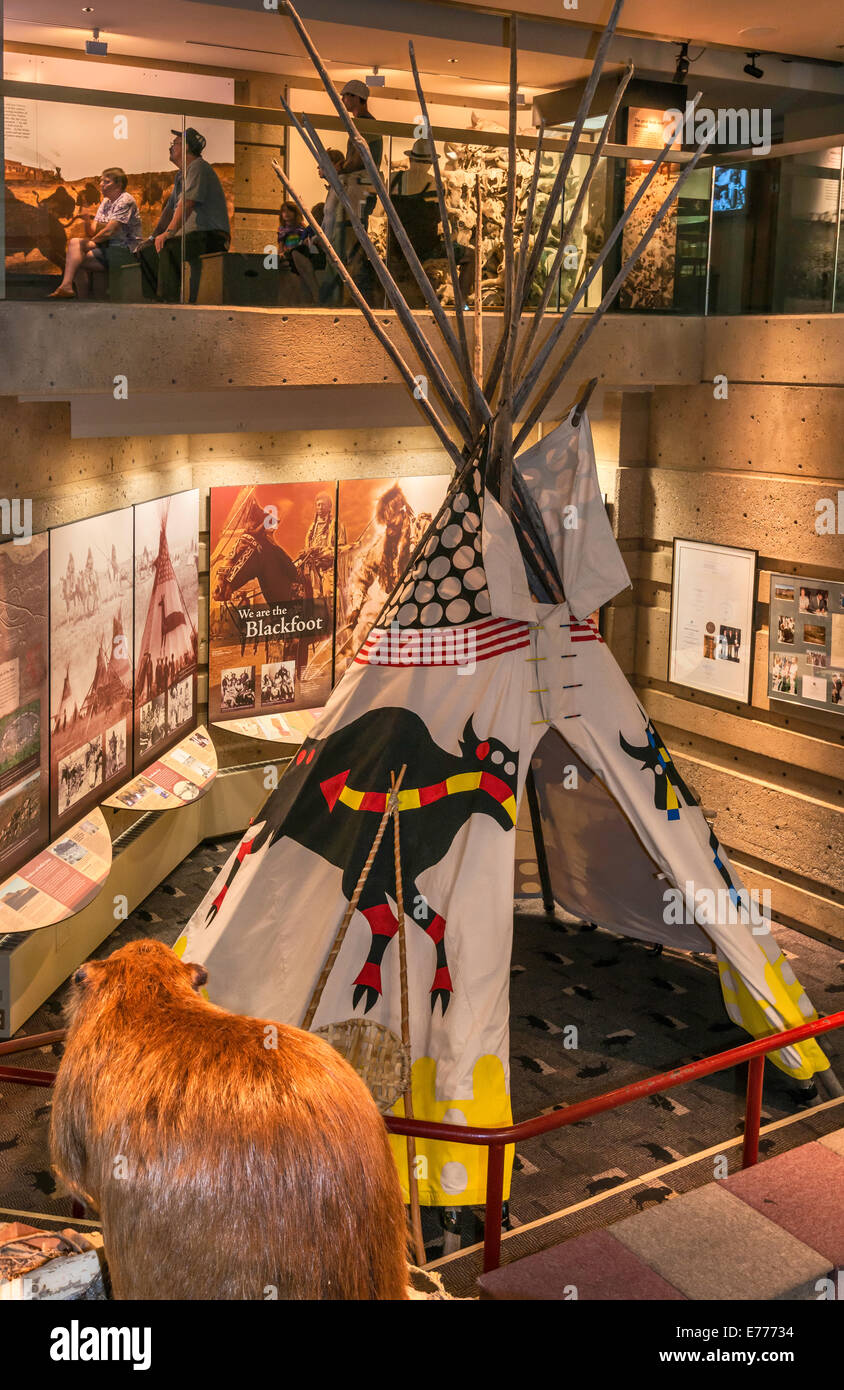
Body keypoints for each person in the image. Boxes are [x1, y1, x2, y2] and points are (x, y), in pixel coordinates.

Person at [137, 129, 230, 303]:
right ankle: (153, 301)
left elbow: (187, 203)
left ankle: (170, 303)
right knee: (147, 251)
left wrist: (169, 232)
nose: (171, 147)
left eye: (175, 143)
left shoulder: (198, 167)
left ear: (186, 147)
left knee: (170, 247)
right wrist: (152, 237)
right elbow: (170, 210)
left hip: (212, 235)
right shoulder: (181, 175)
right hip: (195, 236)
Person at [47, 168, 142, 299]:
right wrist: (86, 215)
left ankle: (80, 297)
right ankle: (69, 288)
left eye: (106, 182)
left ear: (118, 185)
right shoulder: (106, 201)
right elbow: (92, 231)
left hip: (125, 251)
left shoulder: (125, 200)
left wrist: (90, 243)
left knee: (75, 260)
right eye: (101, 181)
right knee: (75, 247)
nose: (101, 184)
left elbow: (109, 231)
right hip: (107, 248)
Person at [339, 79, 382, 303]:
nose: (344, 100)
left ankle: (360, 291)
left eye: (346, 95)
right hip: (359, 188)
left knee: (355, 238)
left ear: (357, 98)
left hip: (362, 189)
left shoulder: (366, 125)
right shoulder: (363, 124)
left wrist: (338, 167)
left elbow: (359, 160)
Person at [277, 201, 320, 303]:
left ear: (295, 213)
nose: (286, 214)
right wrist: (281, 253)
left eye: (289, 211)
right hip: (289, 252)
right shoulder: (282, 229)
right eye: (284, 211)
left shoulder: (301, 226)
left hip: (300, 252)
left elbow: (305, 238)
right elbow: (280, 243)